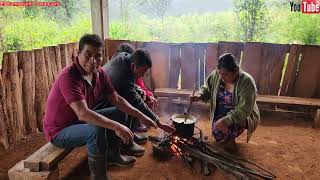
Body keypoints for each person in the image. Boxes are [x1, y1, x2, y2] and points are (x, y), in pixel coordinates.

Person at [43, 34, 159, 180]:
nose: (93, 60)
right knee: (95, 130)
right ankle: (99, 177)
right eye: (88, 54)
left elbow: (116, 99)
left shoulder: (99, 73)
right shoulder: (69, 77)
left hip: (79, 121)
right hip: (60, 130)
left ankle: (113, 155)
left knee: (119, 112)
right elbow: (83, 114)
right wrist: (117, 127)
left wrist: (141, 116)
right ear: (78, 53)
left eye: (98, 55)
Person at [95, 47, 175, 157]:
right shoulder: (121, 78)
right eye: (142, 72)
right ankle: (123, 145)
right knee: (127, 107)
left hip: (110, 96)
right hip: (99, 106)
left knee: (137, 96)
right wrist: (159, 122)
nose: (142, 76)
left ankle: (130, 133)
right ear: (133, 66)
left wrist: (145, 96)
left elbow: (133, 91)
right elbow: (137, 102)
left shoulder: (123, 56)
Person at [190, 53, 260, 152]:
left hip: (241, 113)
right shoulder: (217, 74)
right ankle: (226, 136)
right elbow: (207, 88)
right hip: (221, 110)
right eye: (220, 73)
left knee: (232, 125)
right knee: (217, 130)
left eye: (226, 74)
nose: (221, 77)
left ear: (236, 70)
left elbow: (244, 109)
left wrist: (227, 120)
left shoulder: (246, 82)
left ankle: (231, 139)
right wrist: (200, 95)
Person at [116, 43, 158, 133]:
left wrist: (147, 95)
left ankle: (140, 121)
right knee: (134, 100)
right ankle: (135, 125)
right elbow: (134, 98)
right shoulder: (122, 74)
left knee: (144, 96)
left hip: (133, 95)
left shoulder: (132, 71)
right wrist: (156, 120)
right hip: (118, 102)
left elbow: (139, 87)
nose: (143, 75)